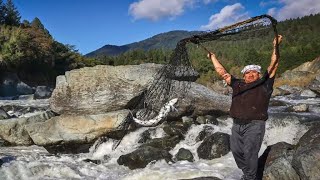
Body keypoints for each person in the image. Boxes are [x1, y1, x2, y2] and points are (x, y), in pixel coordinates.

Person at [207, 35, 283, 180]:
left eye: (253, 72)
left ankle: (250, 177)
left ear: (258, 74)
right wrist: (213, 58)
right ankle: (248, 172)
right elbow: (222, 72)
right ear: (244, 75)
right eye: (247, 72)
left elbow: (274, 64)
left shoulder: (264, 84)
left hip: (255, 124)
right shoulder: (237, 84)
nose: (250, 74)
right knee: (236, 151)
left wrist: (276, 46)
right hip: (237, 125)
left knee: (250, 152)